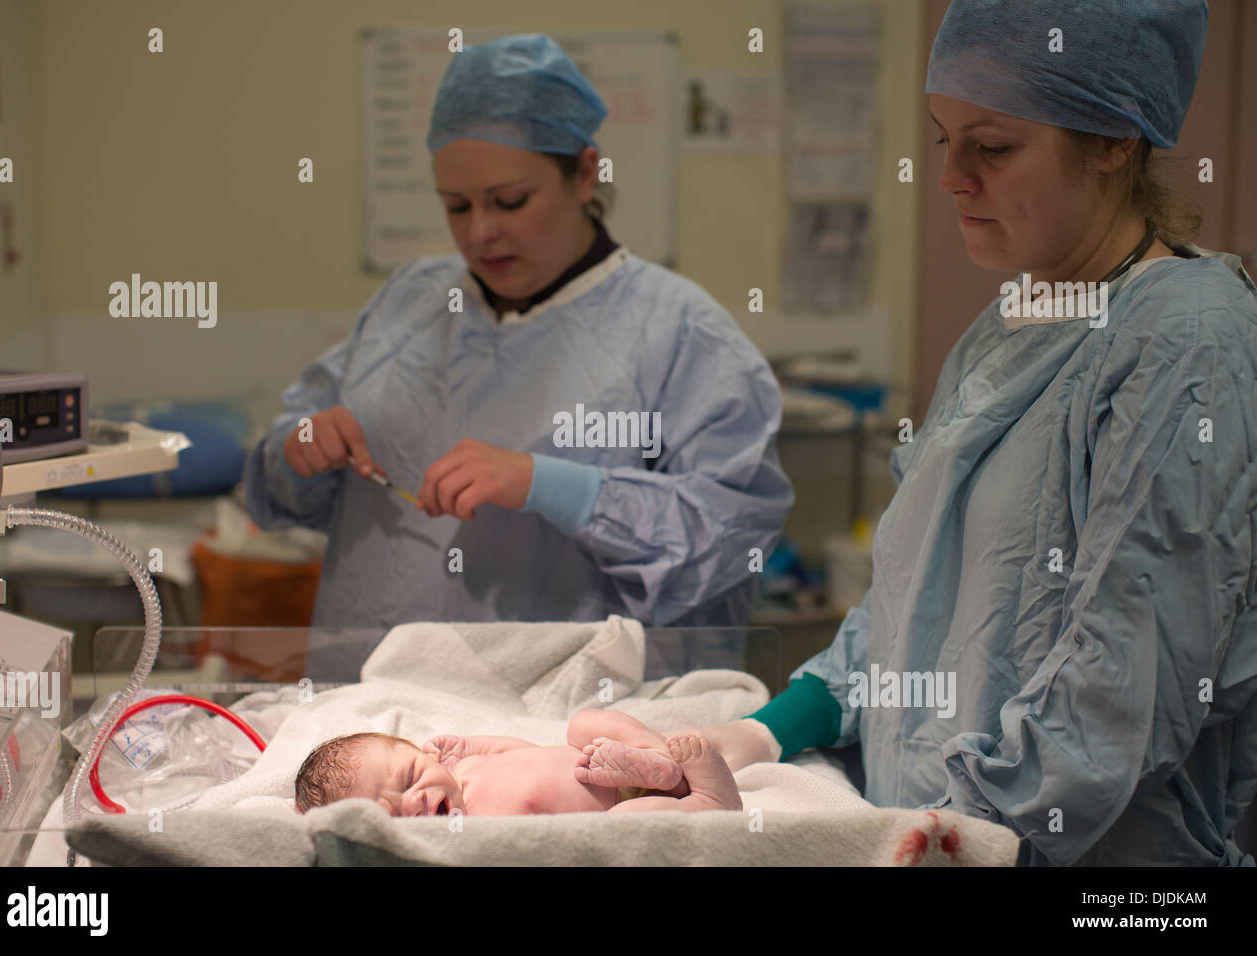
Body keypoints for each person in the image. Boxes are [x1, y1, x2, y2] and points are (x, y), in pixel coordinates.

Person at [704, 0, 1257, 866]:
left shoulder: (1187, 341)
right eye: (942, 139)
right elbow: (911, 602)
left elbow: (1119, 694)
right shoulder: (1016, 317)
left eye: (992, 148)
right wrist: (768, 732)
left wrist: (958, 836)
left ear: (1116, 138)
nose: (952, 176)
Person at [244, 34, 792, 629]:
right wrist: (298, 446)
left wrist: (560, 488)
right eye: (456, 206)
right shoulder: (412, 303)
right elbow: (283, 484)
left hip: (569, 711)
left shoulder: (683, 334)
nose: (480, 233)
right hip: (373, 695)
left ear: (585, 175)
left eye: (509, 201)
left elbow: (730, 543)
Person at [293, 709, 741, 816]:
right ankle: (706, 801)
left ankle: (655, 757)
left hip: (599, 762)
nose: (416, 801)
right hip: (611, 810)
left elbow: (522, 749)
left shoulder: (463, 769)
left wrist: (472, 746)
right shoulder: (463, 831)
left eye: (410, 776)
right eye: (392, 813)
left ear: (423, 753)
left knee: (585, 721)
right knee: (631, 822)